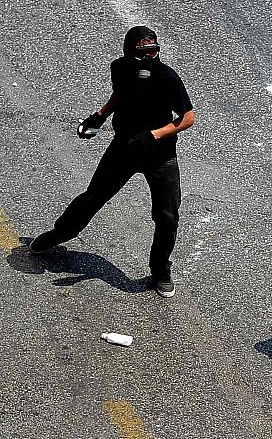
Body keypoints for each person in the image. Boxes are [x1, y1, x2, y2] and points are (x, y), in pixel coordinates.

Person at [29, 26, 195, 299]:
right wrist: (100, 116)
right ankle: (60, 234)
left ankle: (160, 270)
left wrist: (154, 135)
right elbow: (121, 94)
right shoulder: (120, 68)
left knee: (167, 216)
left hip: (160, 156)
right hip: (124, 149)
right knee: (93, 197)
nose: (150, 57)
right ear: (129, 53)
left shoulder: (167, 77)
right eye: (143, 53)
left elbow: (188, 117)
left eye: (154, 51)